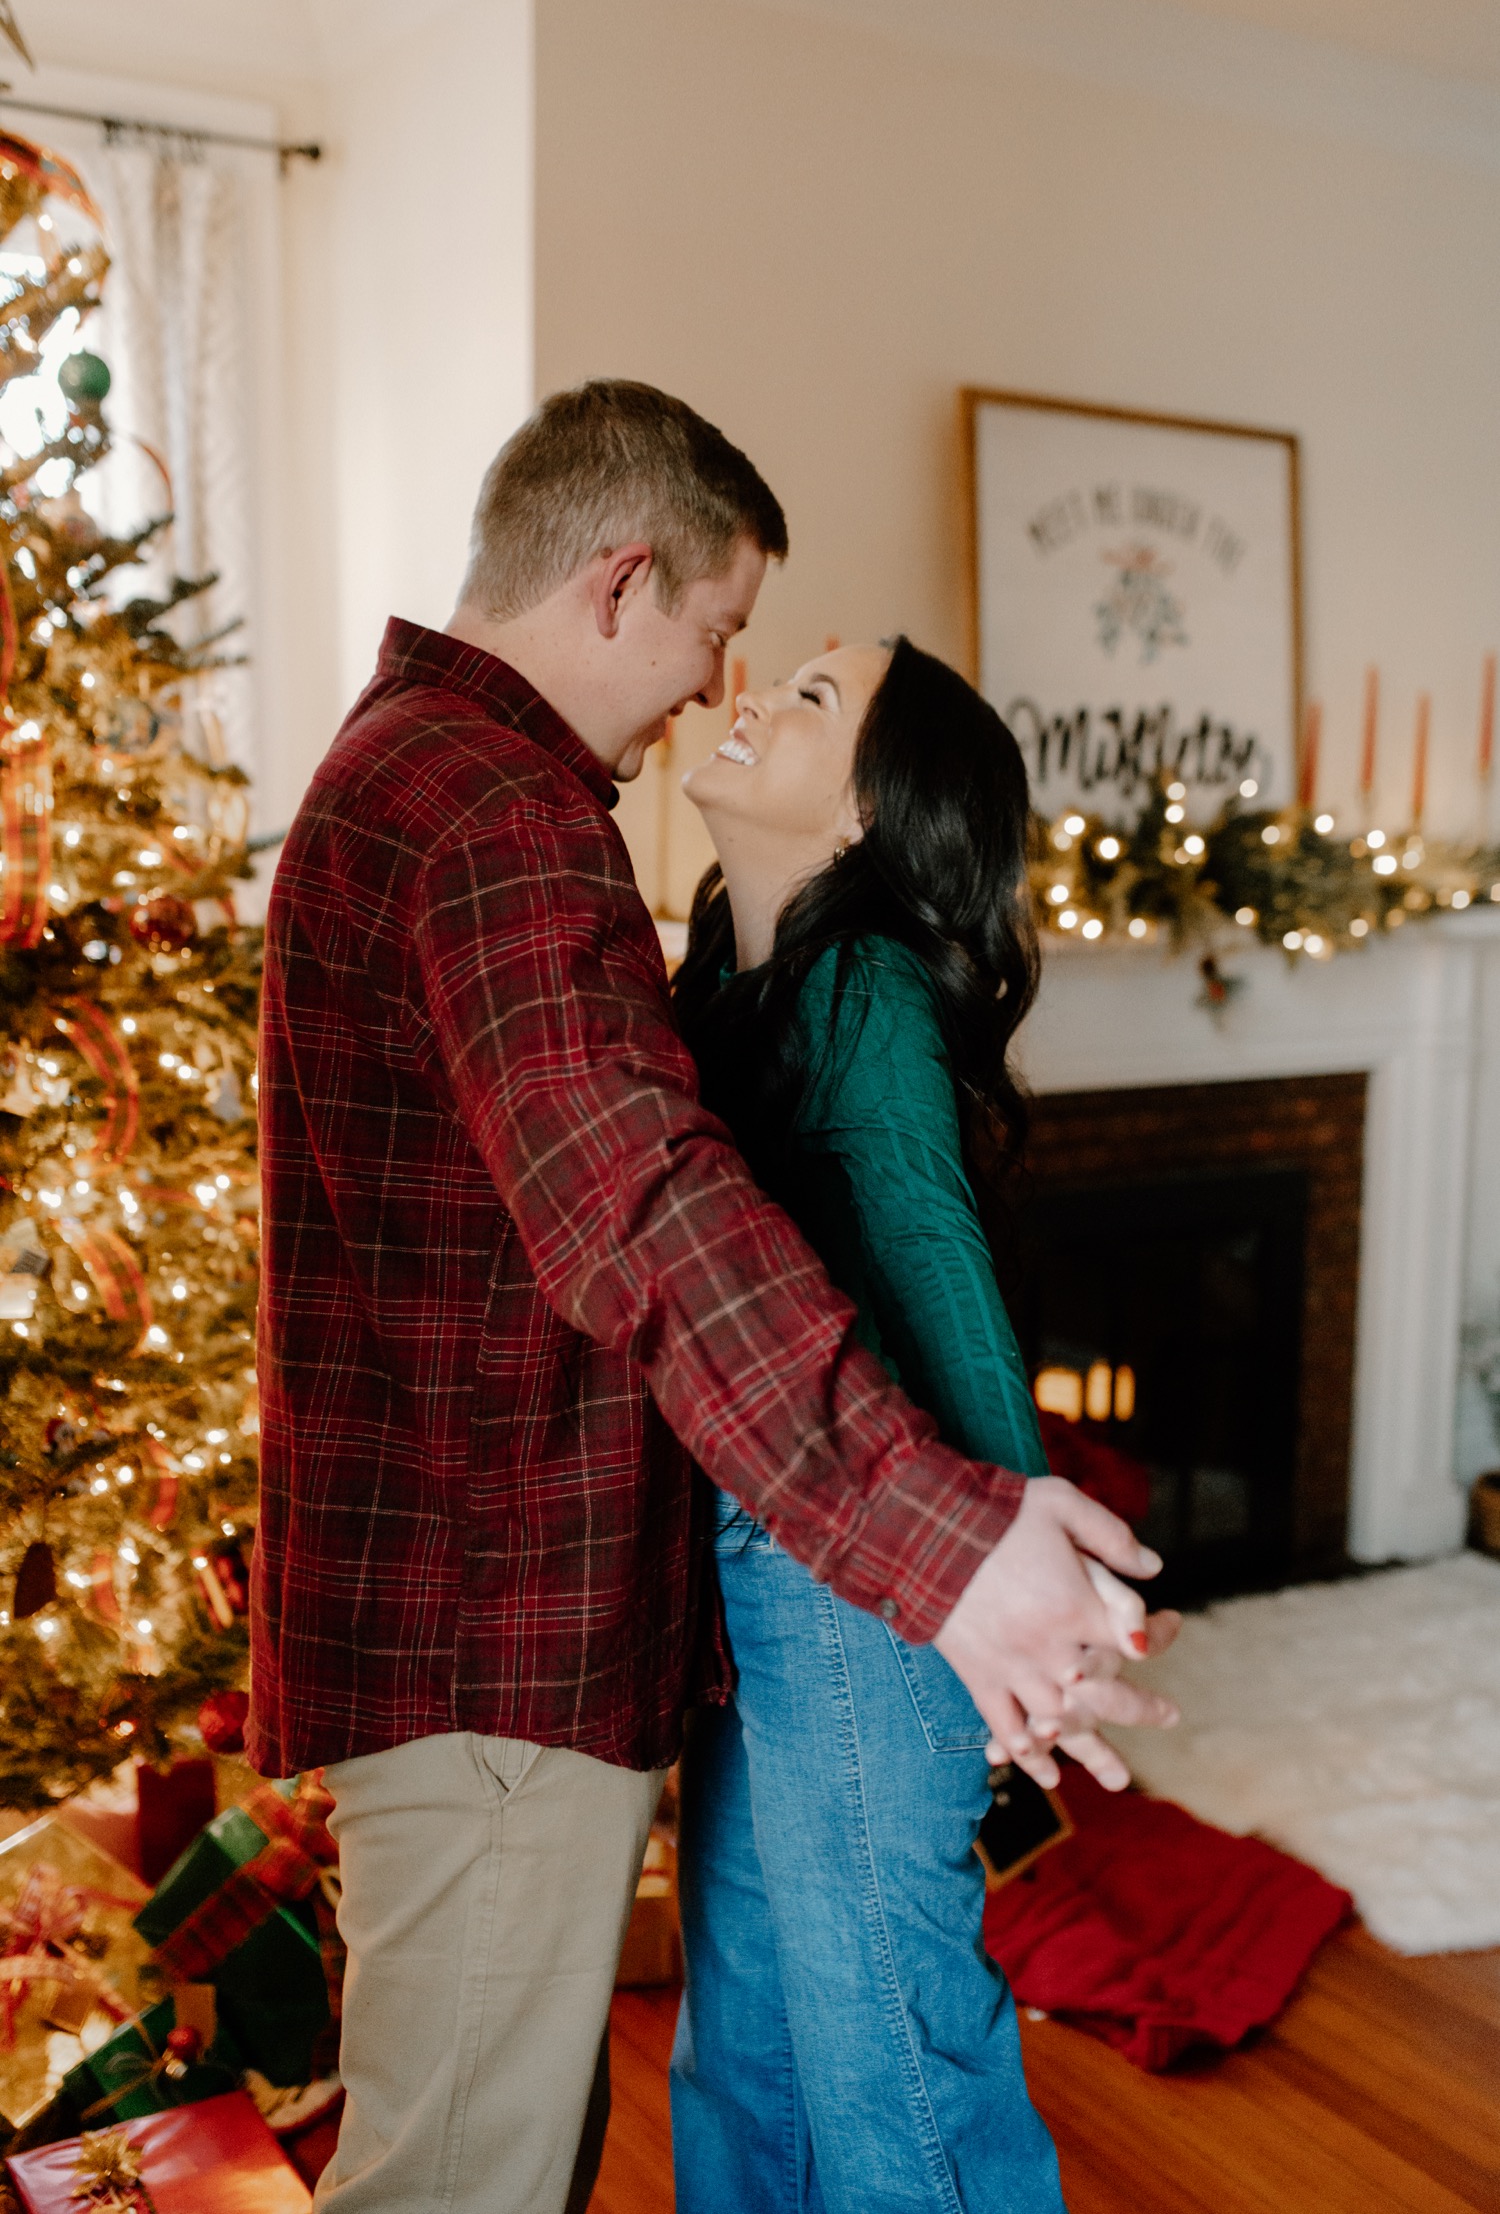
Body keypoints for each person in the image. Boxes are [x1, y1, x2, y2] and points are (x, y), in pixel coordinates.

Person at [249, 383, 1175, 2214]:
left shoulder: (437, 781)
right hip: (497, 1626)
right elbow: (642, 1203)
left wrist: (984, 1534)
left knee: (785, 2060)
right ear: (618, 582)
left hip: (555, 1613)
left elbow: (905, 1244)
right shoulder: (502, 817)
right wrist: (961, 1543)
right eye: (717, 628)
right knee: (496, 2164)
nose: (713, 686)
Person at [668, 637, 1174, 2211]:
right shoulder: (718, 991)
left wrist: (1026, 1581)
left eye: (812, 699)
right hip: (770, 1557)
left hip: (870, 1575)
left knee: (892, 2055)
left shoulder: (860, 984)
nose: (753, 691)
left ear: (875, 823)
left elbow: (932, 1254)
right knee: (744, 2044)